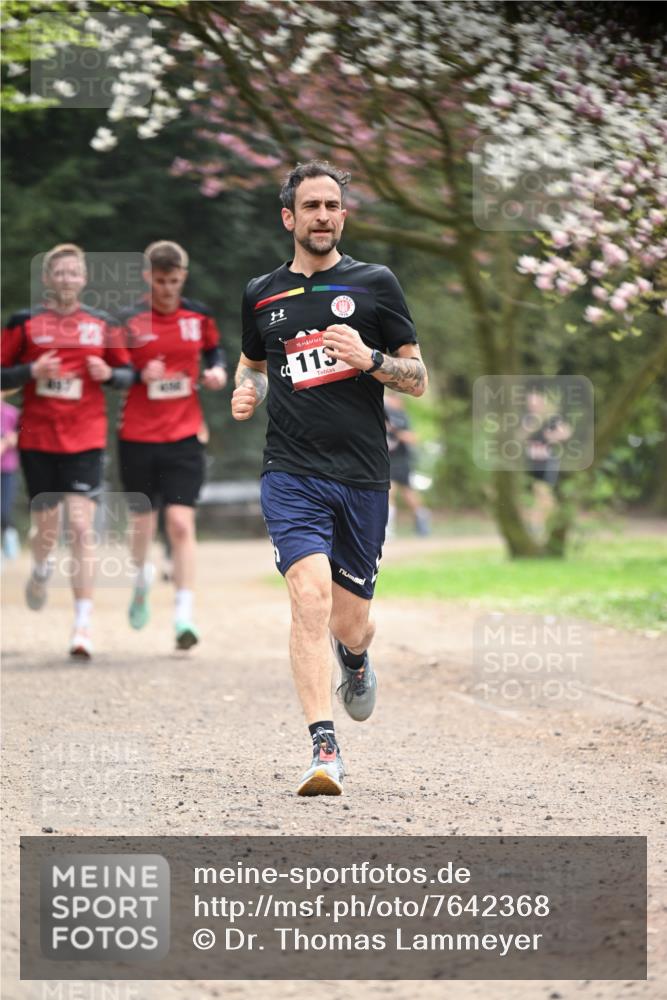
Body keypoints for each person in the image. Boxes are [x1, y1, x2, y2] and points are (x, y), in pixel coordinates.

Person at [232, 160, 428, 796]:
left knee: (350, 622)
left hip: (363, 476)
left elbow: (417, 377)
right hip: (291, 471)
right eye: (311, 206)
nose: (323, 216)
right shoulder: (261, 293)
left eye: (332, 206)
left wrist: (369, 359)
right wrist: (246, 390)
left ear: (343, 216)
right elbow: (252, 364)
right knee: (308, 598)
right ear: (289, 217)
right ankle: (324, 749)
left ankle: (357, 658)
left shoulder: (375, 284)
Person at [0, 243, 133, 657]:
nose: (66, 279)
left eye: (73, 272)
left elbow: (128, 375)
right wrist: (30, 371)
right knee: (46, 529)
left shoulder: (102, 324)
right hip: (38, 437)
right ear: (47, 279)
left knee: (79, 527)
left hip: (86, 438)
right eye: (59, 272)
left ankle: (82, 625)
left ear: (83, 278)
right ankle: (41, 569)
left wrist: (108, 373)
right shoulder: (24, 322)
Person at [117, 241, 227, 650]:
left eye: (174, 281)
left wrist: (217, 372)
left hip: (184, 434)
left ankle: (184, 616)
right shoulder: (128, 320)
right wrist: (138, 373)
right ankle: (141, 580)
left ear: (183, 277)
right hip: (137, 436)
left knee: (181, 524)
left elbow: (215, 352)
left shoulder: (198, 316)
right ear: (148, 277)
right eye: (160, 281)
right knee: (143, 526)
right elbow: (112, 370)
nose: (167, 289)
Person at [520, 386, 572, 542]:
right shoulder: (527, 419)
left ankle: (537, 524)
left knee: (545, 496)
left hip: (547, 462)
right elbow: (519, 436)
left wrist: (553, 436)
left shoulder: (552, 419)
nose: (533, 405)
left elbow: (566, 432)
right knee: (541, 497)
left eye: (536, 401)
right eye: (530, 402)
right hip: (531, 463)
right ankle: (537, 524)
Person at [384, 391, 431, 537]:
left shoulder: (402, 417)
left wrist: (396, 431)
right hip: (387, 460)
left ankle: (421, 517)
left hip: (402, 460)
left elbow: (413, 438)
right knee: (389, 492)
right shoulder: (383, 412)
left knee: (408, 493)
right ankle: (387, 527)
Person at [1, 391, 20, 559]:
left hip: (6, 470)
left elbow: (20, 436)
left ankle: (10, 540)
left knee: (4, 511)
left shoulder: (12, 413)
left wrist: (7, 442)